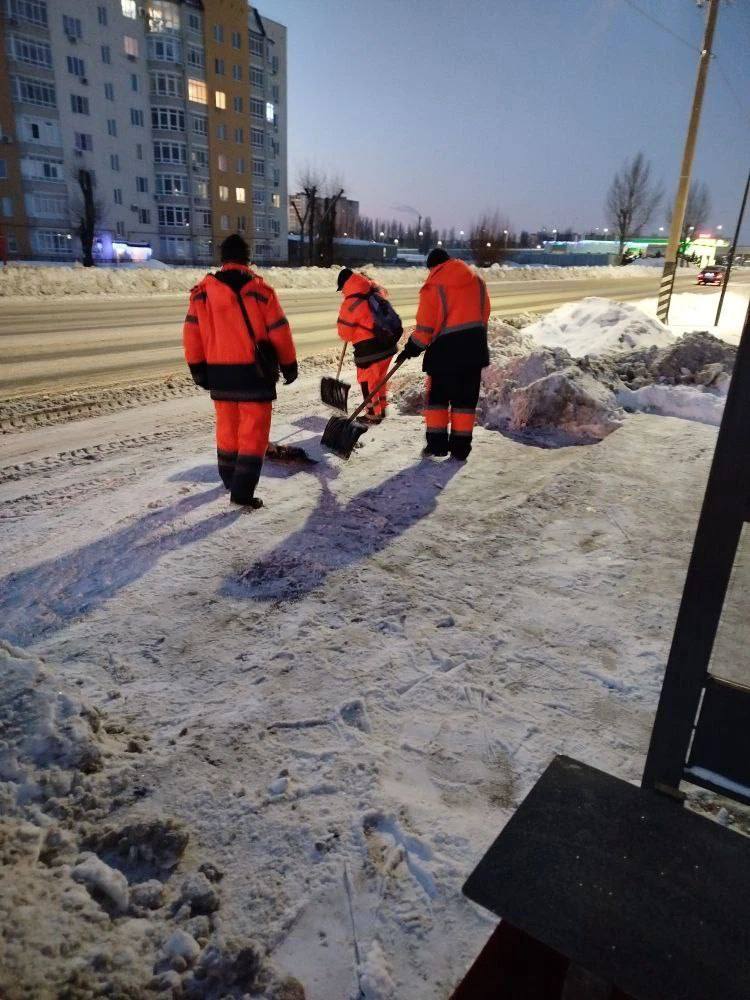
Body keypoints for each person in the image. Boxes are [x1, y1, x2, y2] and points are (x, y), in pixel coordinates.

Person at [182, 233, 297, 509]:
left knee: (227, 427)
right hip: (254, 376)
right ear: (247, 259)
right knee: (253, 432)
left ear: (223, 259)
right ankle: (242, 491)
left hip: (220, 377)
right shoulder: (261, 291)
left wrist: (198, 369)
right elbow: (279, 331)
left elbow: (191, 334)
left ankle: (228, 478)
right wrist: (289, 365)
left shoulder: (202, 293)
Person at [397, 248, 490, 461]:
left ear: (432, 267)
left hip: (445, 353)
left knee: (438, 400)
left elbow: (425, 328)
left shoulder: (433, 286)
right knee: (465, 403)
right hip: (474, 349)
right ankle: (460, 449)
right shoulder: (477, 280)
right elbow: (484, 313)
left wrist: (413, 346)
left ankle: (437, 446)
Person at [336, 267, 400, 423]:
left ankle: (372, 413)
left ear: (346, 284)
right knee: (379, 380)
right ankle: (382, 409)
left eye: (342, 288)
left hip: (369, 351)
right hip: (388, 344)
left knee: (366, 381)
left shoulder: (351, 303)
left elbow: (345, 334)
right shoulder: (374, 290)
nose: (343, 292)